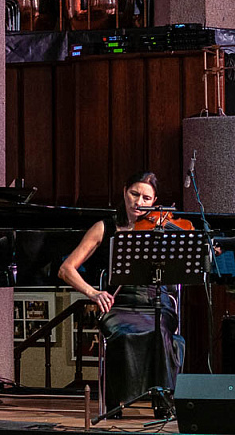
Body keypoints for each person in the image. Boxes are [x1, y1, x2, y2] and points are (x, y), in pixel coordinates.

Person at [58, 171, 184, 415]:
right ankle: (117, 402)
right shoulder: (104, 227)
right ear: (124, 192)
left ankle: (163, 402)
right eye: (134, 194)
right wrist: (93, 293)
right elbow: (66, 269)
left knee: (160, 332)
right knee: (123, 335)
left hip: (156, 302)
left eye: (147, 198)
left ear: (155, 202)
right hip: (118, 304)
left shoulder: (163, 229)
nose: (139, 202)